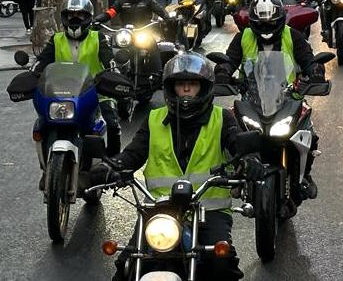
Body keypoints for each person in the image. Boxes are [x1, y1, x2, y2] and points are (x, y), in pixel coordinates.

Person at [92, 52, 262, 281]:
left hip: (208, 212)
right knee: (128, 264)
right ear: (171, 89)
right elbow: (134, 152)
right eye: (181, 85)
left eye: (192, 85)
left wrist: (248, 161)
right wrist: (113, 166)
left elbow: (236, 142)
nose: (186, 91)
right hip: (160, 208)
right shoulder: (154, 119)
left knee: (220, 264)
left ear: (204, 89)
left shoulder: (222, 119)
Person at [221, 0, 323, 199]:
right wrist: (223, 71)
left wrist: (315, 71)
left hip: (288, 97)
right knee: (228, 128)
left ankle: (306, 175)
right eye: (262, 24)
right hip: (252, 98)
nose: (266, 28)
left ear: (279, 20)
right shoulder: (244, 37)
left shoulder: (293, 35)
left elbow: (307, 59)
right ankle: (237, 173)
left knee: (309, 134)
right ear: (253, 21)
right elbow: (230, 59)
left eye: (271, 23)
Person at [34, 0, 120, 155]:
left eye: (80, 15)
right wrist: (32, 74)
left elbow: (109, 61)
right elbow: (42, 61)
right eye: (70, 15)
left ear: (88, 17)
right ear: (64, 18)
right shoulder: (56, 39)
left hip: (96, 92)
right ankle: (45, 164)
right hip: (61, 94)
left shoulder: (98, 38)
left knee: (113, 124)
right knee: (41, 124)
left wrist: (114, 74)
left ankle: (114, 165)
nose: (74, 19)